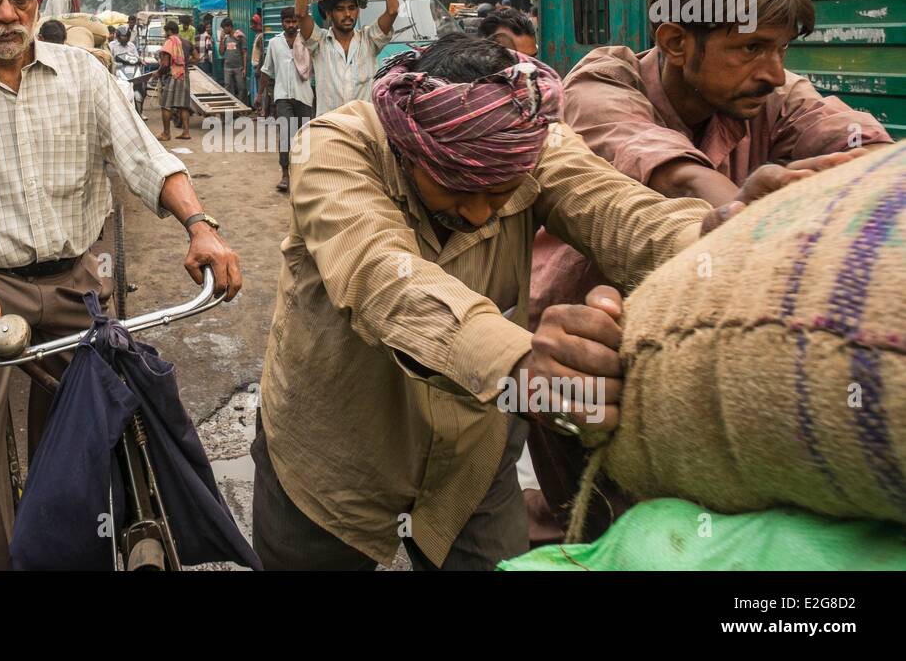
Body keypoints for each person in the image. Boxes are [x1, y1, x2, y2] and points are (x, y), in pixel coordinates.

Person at [252, 32, 850, 571]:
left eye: (504, 194)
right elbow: (382, 276)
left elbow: (617, 210)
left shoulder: (533, 138)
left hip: (470, 457)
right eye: (462, 189)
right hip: (333, 453)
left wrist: (727, 237)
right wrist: (520, 363)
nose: (485, 212)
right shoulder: (333, 149)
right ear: (410, 153)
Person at [0, 0, 241, 570]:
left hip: (72, 282)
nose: (5, 14)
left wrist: (200, 224)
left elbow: (144, 157)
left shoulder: (83, 75)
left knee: (87, 449)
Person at [530, 0, 894, 325]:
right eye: (751, 48)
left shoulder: (771, 93)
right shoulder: (602, 85)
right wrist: (752, 216)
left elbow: (868, 149)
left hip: (699, 319)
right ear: (675, 42)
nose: (773, 73)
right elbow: (681, 179)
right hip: (575, 336)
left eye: (781, 49)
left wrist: (866, 175)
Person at [296, 0, 398, 116]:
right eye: (340, 9)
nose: (348, 14)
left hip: (365, 127)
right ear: (329, 14)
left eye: (352, 8)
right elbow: (300, 14)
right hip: (330, 129)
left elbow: (392, 10)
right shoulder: (318, 43)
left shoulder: (370, 40)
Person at [258, 7, 313, 194]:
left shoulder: (308, 40)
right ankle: (285, 175)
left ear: (298, 22)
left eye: (294, 21)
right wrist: (259, 95)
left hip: (304, 96)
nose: (291, 25)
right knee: (286, 136)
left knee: (304, 137)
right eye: (287, 21)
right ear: (282, 22)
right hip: (282, 97)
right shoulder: (274, 43)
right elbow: (266, 71)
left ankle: (303, 176)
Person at [156, 19, 191, 141]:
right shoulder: (186, 43)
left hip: (173, 75)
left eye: (166, 32)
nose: (165, 34)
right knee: (183, 106)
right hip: (184, 74)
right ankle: (186, 132)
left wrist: (157, 73)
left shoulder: (169, 42)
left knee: (166, 105)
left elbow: (165, 63)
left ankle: (166, 133)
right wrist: (184, 65)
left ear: (169, 31)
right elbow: (196, 57)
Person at [218, 18, 247, 102]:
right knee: (228, 87)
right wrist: (221, 39)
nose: (223, 30)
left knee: (241, 87)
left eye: (224, 28)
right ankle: (231, 106)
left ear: (229, 27)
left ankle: (241, 107)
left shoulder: (239, 37)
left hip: (239, 67)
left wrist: (244, 68)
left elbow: (244, 53)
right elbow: (221, 52)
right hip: (227, 67)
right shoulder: (226, 39)